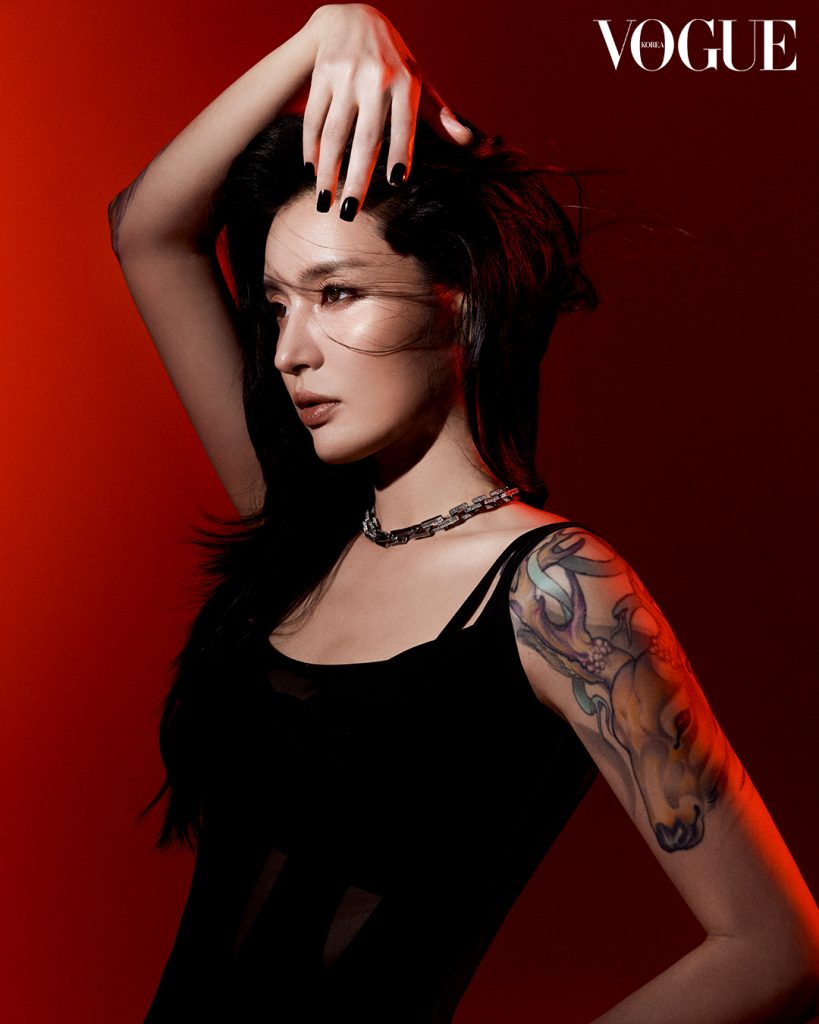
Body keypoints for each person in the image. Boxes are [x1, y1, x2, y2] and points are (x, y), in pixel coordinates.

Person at [108, 4, 819, 1021]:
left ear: (461, 298)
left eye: (337, 293)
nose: (290, 352)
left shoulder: (557, 592)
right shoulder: (308, 524)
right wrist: (329, 32)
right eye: (276, 305)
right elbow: (146, 229)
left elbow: (775, 946)